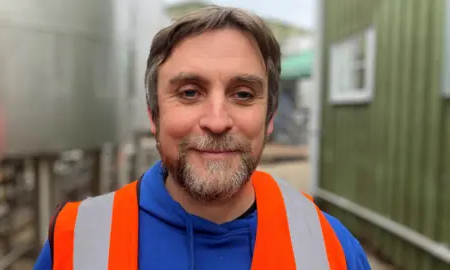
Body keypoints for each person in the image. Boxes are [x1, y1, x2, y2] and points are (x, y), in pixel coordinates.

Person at [34, 5, 371, 270]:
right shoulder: (75, 243)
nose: (217, 121)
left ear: (269, 117)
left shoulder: (331, 248)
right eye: (190, 92)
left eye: (242, 94)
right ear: (154, 114)